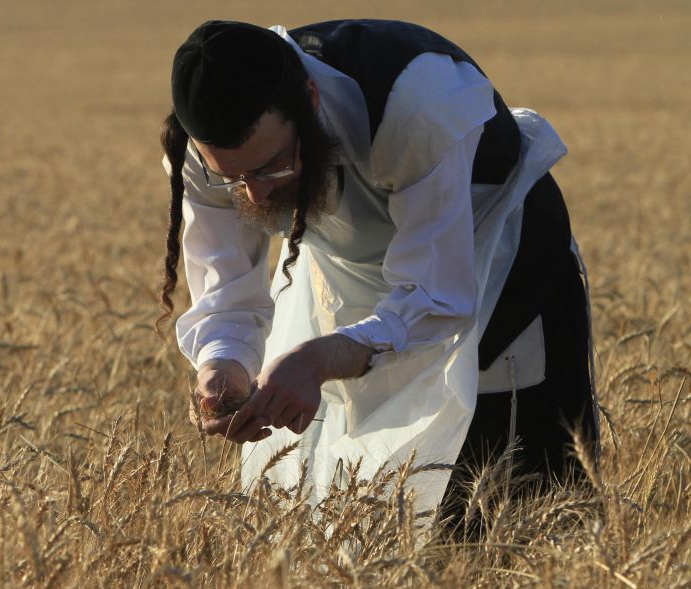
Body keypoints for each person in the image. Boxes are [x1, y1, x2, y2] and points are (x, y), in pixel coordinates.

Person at [158, 19, 598, 534]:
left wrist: (319, 357)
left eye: (272, 167)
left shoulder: (418, 102)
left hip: (500, 268)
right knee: (351, 509)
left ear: (311, 98)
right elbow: (226, 292)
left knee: (507, 506)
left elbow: (436, 295)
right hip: (345, 278)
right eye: (232, 177)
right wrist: (221, 365)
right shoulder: (207, 152)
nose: (254, 195)